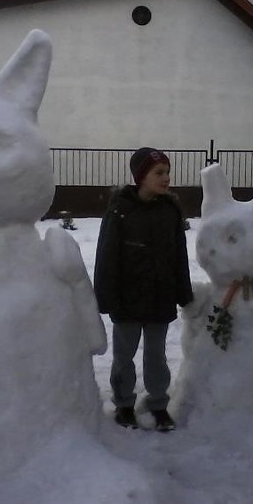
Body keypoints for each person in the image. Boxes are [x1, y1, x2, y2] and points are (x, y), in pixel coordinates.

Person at [94, 147, 193, 432]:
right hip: (127, 297)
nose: (166, 178)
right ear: (140, 177)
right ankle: (124, 404)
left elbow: (179, 256)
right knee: (124, 355)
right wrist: (104, 296)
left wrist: (183, 292)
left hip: (159, 296)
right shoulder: (120, 209)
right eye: (158, 173)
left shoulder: (170, 210)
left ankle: (158, 404)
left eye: (167, 172)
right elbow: (107, 255)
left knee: (156, 355)